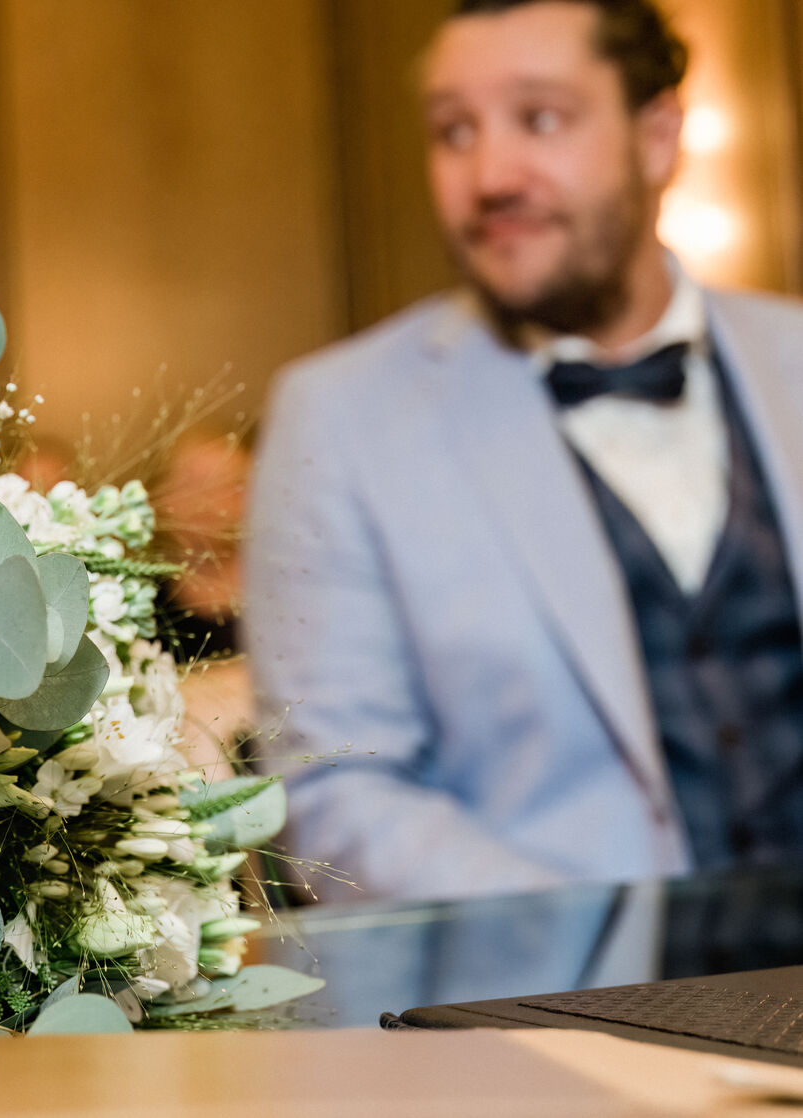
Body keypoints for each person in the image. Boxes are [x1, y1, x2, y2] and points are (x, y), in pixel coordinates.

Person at [246, 0, 803, 900]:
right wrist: (594, 952)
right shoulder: (340, 419)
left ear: (655, 137)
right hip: (561, 1007)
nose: (491, 174)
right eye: (452, 132)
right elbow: (338, 794)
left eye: (539, 119)